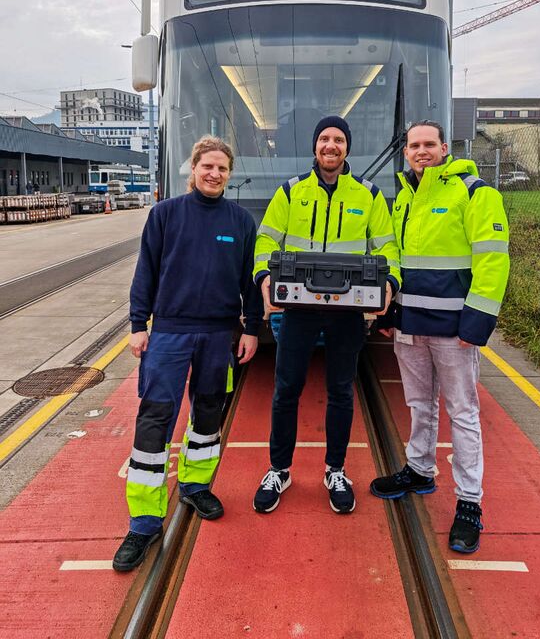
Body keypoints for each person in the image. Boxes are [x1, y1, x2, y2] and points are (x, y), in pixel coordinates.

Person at [113, 135, 263, 572]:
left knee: (209, 415)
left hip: (219, 335)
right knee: (155, 419)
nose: (214, 174)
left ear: (229, 175)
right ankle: (143, 521)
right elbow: (146, 271)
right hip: (171, 333)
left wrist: (251, 329)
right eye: (207, 166)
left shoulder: (240, 221)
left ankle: (195, 486)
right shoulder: (164, 215)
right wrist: (138, 324)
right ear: (192, 169)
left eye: (222, 168)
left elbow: (249, 284)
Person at [370, 120, 510, 554]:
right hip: (411, 325)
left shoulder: (473, 192)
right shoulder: (404, 197)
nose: (421, 151)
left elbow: (493, 260)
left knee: (464, 414)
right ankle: (420, 469)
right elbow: (396, 258)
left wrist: (477, 321)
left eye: (429, 143)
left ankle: (470, 503)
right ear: (406, 151)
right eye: (414, 145)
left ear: (445, 148)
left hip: (455, 331)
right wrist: (390, 310)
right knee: (418, 403)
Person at [252, 116, 400, 515]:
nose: (330, 145)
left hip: (347, 312)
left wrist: (390, 284)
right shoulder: (290, 192)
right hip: (299, 309)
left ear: (346, 148)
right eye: (324, 139)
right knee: (286, 391)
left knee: (340, 392)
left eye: (338, 139)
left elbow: (388, 248)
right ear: (315, 147)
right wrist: (265, 274)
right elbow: (266, 238)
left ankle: (336, 470)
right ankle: (279, 469)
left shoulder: (368, 196)